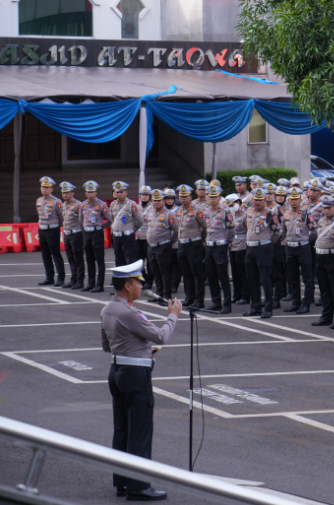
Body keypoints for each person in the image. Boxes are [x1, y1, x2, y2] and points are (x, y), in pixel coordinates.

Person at [100, 259, 182, 501]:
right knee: (140, 431)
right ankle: (138, 486)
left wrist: (141, 350)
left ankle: (123, 482)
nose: (139, 286)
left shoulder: (107, 310)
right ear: (127, 285)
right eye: (137, 282)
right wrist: (172, 317)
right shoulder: (129, 311)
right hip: (135, 376)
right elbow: (160, 335)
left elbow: (107, 346)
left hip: (117, 372)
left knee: (122, 428)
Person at [243, 188, 284, 319]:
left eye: (261, 200)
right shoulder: (249, 211)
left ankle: (268, 307)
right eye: (256, 199)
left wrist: (267, 243)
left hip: (264, 248)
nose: (258, 202)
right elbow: (247, 227)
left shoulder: (270, 213)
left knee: (266, 279)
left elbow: (277, 232)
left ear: (265, 200)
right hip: (250, 248)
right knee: (252, 279)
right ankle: (255, 307)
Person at [313, 195, 334, 328]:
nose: (326, 210)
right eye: (324, 207)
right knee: (324, 289)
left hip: (333, 258)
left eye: (329, 207)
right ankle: (326, 316)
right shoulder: (321, 220)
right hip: (320, 257)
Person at [283, 187, 316, 314]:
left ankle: (306, 304)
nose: (294, 201)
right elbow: (282, 230)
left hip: (303, 247)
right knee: (293, 277)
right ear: (289, 200)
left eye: (296, 199)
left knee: (307, 276)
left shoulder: (306, 213)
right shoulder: (286, 214)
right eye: (292, 199)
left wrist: (305, 239)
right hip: (290, 247)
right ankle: (295, 302)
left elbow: (314, 230)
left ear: (300, 199)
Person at [175, 184, 207, 308]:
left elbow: (204, 227)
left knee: (197, 274)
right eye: (181, 196)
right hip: (182, 244)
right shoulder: (179, 210)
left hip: (194, 244)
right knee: (186, 273)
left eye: (186, 196)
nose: (183, 199)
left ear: (190, 197)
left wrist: (203, 239)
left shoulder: (197, 211)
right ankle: (189, 297)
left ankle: (199, 301)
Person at [204, 185, 234, 313]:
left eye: (215, 197)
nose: (212, 199)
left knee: (223, 276)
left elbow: (231, 230)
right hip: (209, 246)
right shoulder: (205, 212)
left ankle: (227, 305)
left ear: (219, 198)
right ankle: (216, 302)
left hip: (220, 246)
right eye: (210, 197)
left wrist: (228, 241)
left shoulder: (225, 212)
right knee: (211, 276)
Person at [144, 190, 178, 305]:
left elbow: (176, 231)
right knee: (155, 272)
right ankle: (158, 295)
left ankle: (166, 297)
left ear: (163, 201)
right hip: (151, 247)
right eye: (154, 200)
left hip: (163, 246)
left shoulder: (169, 214)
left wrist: (170, 243)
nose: (156, 202)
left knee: (164, 272)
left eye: (159, 200)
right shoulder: (151, 212)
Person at [81, 180, 111, 293]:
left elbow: (109, 218)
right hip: (86, 233)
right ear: (85, 193)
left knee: (99, 259)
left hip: (97, 233)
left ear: (96, 192)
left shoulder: (101, 204)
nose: (91, 194)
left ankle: (99, 285)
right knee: (89, 259)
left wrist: (102, 227)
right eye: (88, 192)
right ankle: (90, 283)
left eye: (92, 191)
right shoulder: (83, 204)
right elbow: (80, 219)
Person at [36, 176, 65, 287]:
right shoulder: (38, 201)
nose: (45, 189)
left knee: (55, 254)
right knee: (45, 254)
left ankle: (60, 278)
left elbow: (60, 216)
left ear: (51, 189)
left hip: (52, 230)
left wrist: (57, 226)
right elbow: (39, 215)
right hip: (42, 229)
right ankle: (49, 277)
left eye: (47, 187)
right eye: (43, 187)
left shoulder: (56, 202)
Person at [110, 181, 145, 267]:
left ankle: (132, 280)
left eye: (121, 192)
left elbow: (140, 220)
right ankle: (121, 280)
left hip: (127, 237)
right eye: (117, 192)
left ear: (126, 192)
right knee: (118, 260)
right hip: (117, 237)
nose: (119, 194)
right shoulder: (113, 204)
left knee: (130, 260)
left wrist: (133, 229)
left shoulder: (131, 204)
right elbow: (112, 219)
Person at [59, 181, 85, 289]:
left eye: (67, 192)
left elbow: (83, 220)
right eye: (63, 192)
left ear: (72, 193)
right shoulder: (63, 205)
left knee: (78, 257)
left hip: (76, 234)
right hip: (67, 234)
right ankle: (73, 279)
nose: (65, 194)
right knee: (70, 257)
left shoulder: (78, 205)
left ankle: (80, 280)